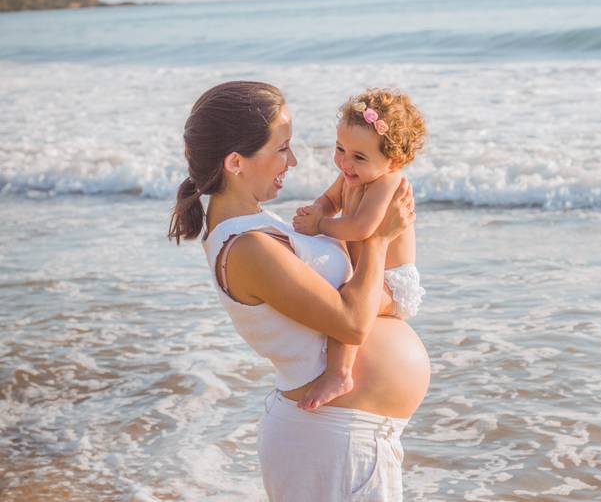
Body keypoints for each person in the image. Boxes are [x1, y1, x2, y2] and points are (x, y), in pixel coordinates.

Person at [168, 81, 431, 502]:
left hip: (341, 439)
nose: (292, 160)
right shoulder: (248, 247)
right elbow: (351, 323)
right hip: (331, 441)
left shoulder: (259, 226)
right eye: (282, 148)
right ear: (236, 162)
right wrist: (381, 239)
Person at [292, 88, 426, 411]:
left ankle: (340, 374)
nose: (345, 163)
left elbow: (362, 228)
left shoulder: (389, 183)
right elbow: (330, 200)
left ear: (392, 161)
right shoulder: (350, 175)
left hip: (393, 283)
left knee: (347, 304)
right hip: (368, 271)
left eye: (358, 157)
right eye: (340, 149)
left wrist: (320, 226)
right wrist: (317, 210)